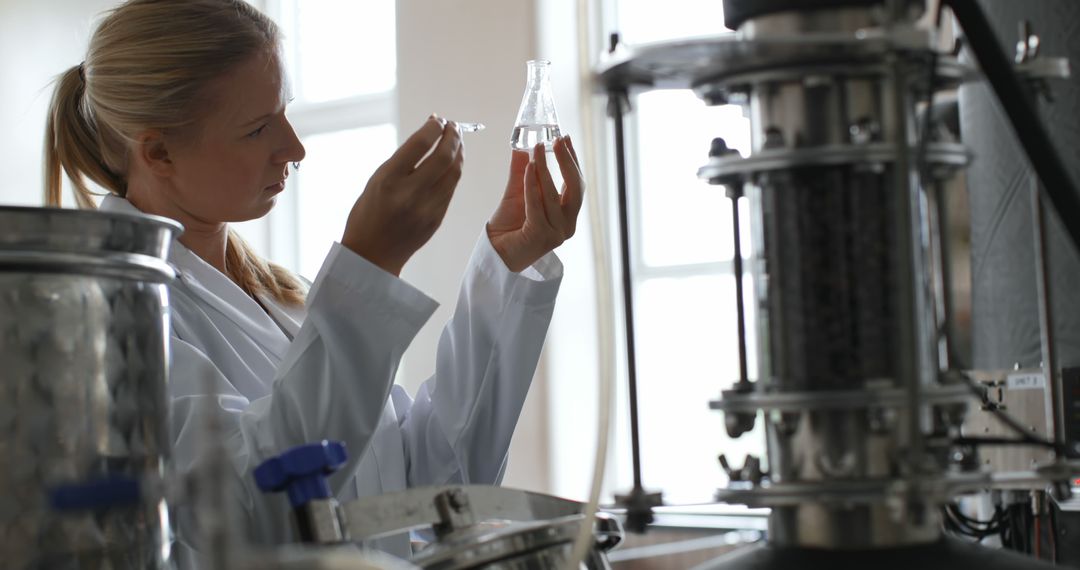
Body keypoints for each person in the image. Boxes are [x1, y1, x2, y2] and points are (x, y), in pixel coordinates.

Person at [43, 0, 583, 565]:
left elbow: (428, 485)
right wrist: (370, 264)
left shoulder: (285, 300)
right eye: (257, 128)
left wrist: (507, 267)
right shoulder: (107, 312)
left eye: (285, 111)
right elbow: (249, 509)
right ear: (158, 152)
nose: (295, 148)